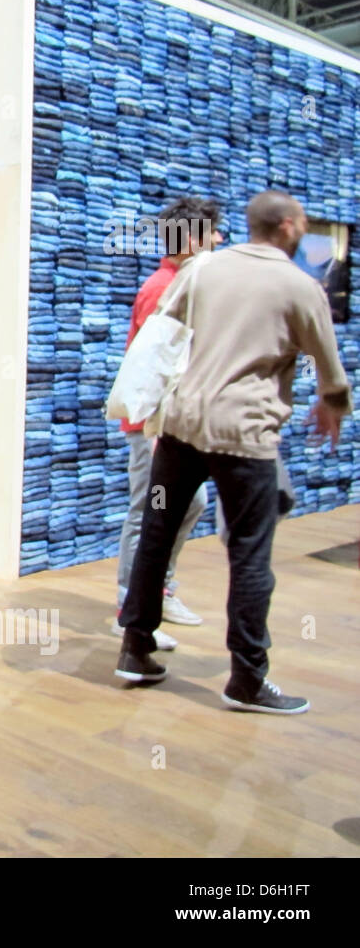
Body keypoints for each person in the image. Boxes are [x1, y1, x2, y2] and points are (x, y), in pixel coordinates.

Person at [116, 191, 352, 713]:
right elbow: (329, 366)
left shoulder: (202, 272)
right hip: (244, 437)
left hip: (180, 430)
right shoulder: (301, 286)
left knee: (156, 531)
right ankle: (246, 677)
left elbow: (162, 336)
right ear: (289, 227)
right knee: (249, 552)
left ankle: (136, 647)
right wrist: (334, 403)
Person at [112, 196, 223, 650]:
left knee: (189, 503)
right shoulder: (165, 288)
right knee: (147, 511)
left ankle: (159, 590)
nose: (220, 239)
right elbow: (155, 364)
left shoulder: (186, 283)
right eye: (214, 233)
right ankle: (130, 605)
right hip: (153, 427)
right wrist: (154, 430)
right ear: (193, 238)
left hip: (171, 425)